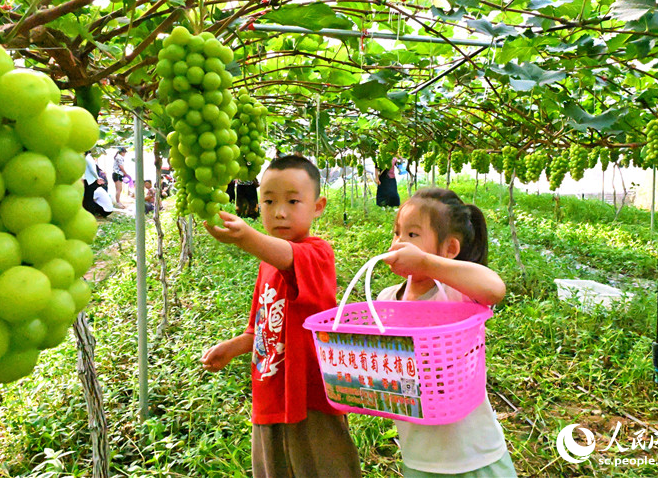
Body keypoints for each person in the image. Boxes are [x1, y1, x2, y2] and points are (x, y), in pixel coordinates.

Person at [200, 155, 362, 478]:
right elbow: (259, 329)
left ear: (318, 206)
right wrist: (232, 347)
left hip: (311, 399)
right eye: (269, 201)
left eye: (292, 201)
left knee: (326, 467)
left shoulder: (317, 254)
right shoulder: (266, 263)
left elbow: (289, 257)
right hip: (269, 397)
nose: (279, 212)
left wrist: (244, 236)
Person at [377, 187, 515, 477]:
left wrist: (427, 264)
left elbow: (495, 288)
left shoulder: (455, 295)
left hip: (474, 455)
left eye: (412, 236)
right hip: (419, 455)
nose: (399, 244)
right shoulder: (388, 299)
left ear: (450, 249)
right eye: (397, 233)